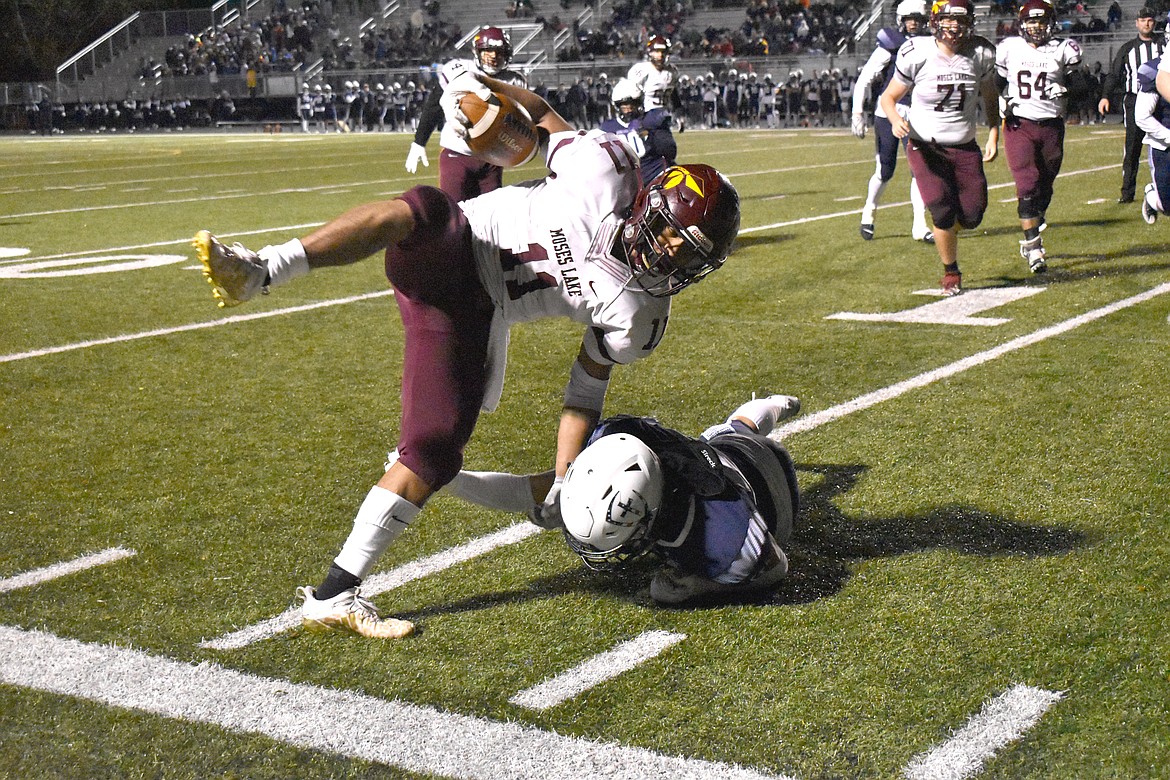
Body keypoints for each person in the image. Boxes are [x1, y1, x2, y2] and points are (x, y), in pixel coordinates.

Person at [193, 73, 742, 639]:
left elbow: (584, 393)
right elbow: (542, 116)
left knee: (432, 451)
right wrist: (494, 86)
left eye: (691, 254)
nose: (672, 252)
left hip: (470, 318)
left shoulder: (640, 315)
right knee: (429, 210)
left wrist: (563, 477)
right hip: (454, 247)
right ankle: (263, 270)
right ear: (650, 200)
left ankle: (336, 594)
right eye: (676, 232)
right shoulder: (600, 170)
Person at [441, 394, 801, 606]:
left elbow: (776, 567)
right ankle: (768, 407)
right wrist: (446, 479)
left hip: (774, 492)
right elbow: (525, 490)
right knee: (728, 431)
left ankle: (769, 405)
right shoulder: (611, 440)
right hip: (710, 455)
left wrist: (699, 586)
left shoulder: (726, 541)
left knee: (735, 434)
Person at [879, 0, 1000, 297]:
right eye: (948, 20)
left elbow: (990, 97)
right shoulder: (917, 52)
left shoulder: (980, 53)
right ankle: (951, 271)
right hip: (925, 146)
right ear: (935, 21)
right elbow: (888, 97)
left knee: (973, 214)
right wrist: (895, 120)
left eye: (960, 21)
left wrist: (994, 132)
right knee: (941, 208)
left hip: (964, 146)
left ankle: (948, 234)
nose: (954, 27)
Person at [995, 0, 1083, 273]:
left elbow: (1081, 84)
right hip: (1019, 123)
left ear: (1051, 24)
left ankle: (1034, 220)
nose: (1036, 27)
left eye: (1041, 21)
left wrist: (1066, 89)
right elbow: (996, 82)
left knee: (1045, 183)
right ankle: (1033, 247)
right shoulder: (1009, 47)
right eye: (1032, 21)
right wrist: (999, 99)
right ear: (1022, 24)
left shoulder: (1064, 49)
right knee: (1027, 183)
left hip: (1052, 125)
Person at [405, 26, 527, 200]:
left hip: (492, 159)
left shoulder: (515, 81)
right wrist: (419, 142)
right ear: (477, 52)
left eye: (499, 52)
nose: (493, 56)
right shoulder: (459, 69)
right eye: (488, 51)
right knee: (456, 214)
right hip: (458, 153)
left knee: (491, 217)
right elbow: (434, 105)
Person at [851, 0, 935, 244]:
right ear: (900, 20)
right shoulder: (890, 45)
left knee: (919, 170)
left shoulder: (930, 44)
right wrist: (857, 113)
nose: (913, 24)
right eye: (909, 19)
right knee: (885, 170)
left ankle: (919, 225)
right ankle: (869, 211)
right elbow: (865, 79)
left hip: (917, 112)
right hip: (888, 111)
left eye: (917, 20)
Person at [1098, 7, 1164, 203]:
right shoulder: (1127, 48)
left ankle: (1163, 190)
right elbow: (1114, 74)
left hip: (1161, 101)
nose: (1146, 23)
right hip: (1135, 100)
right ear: (1137, 22)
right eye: (1143, 20)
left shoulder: (1163, 45)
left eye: (1150, 20)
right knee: (1132, 147)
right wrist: (1105, 96)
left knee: (1163, 145)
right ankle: (1127, 193)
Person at [599, 77, 678, 184]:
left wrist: (653, 135)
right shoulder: (608, 128)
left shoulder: (651, 119)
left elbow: (670, 151)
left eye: (633, 103)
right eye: (624, 104)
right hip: (629, 183)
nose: (629, 108)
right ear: (617, 106)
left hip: (658, 176)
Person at [1135, 50, 1170, 222]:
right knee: (1167, 206)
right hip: (1163, 146)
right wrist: (1168, 136)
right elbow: (1141, 116)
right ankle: (1151, 197)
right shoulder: (1154, 70)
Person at [626, 36, 679, 115]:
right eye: (657, 51)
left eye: (663, 51)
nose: (660, 55)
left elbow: (674, 95)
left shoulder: (672, 71)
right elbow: (630, 96)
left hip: (664, 115)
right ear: (650, 52)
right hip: (645, 114)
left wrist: (678, 111)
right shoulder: (641, 70)